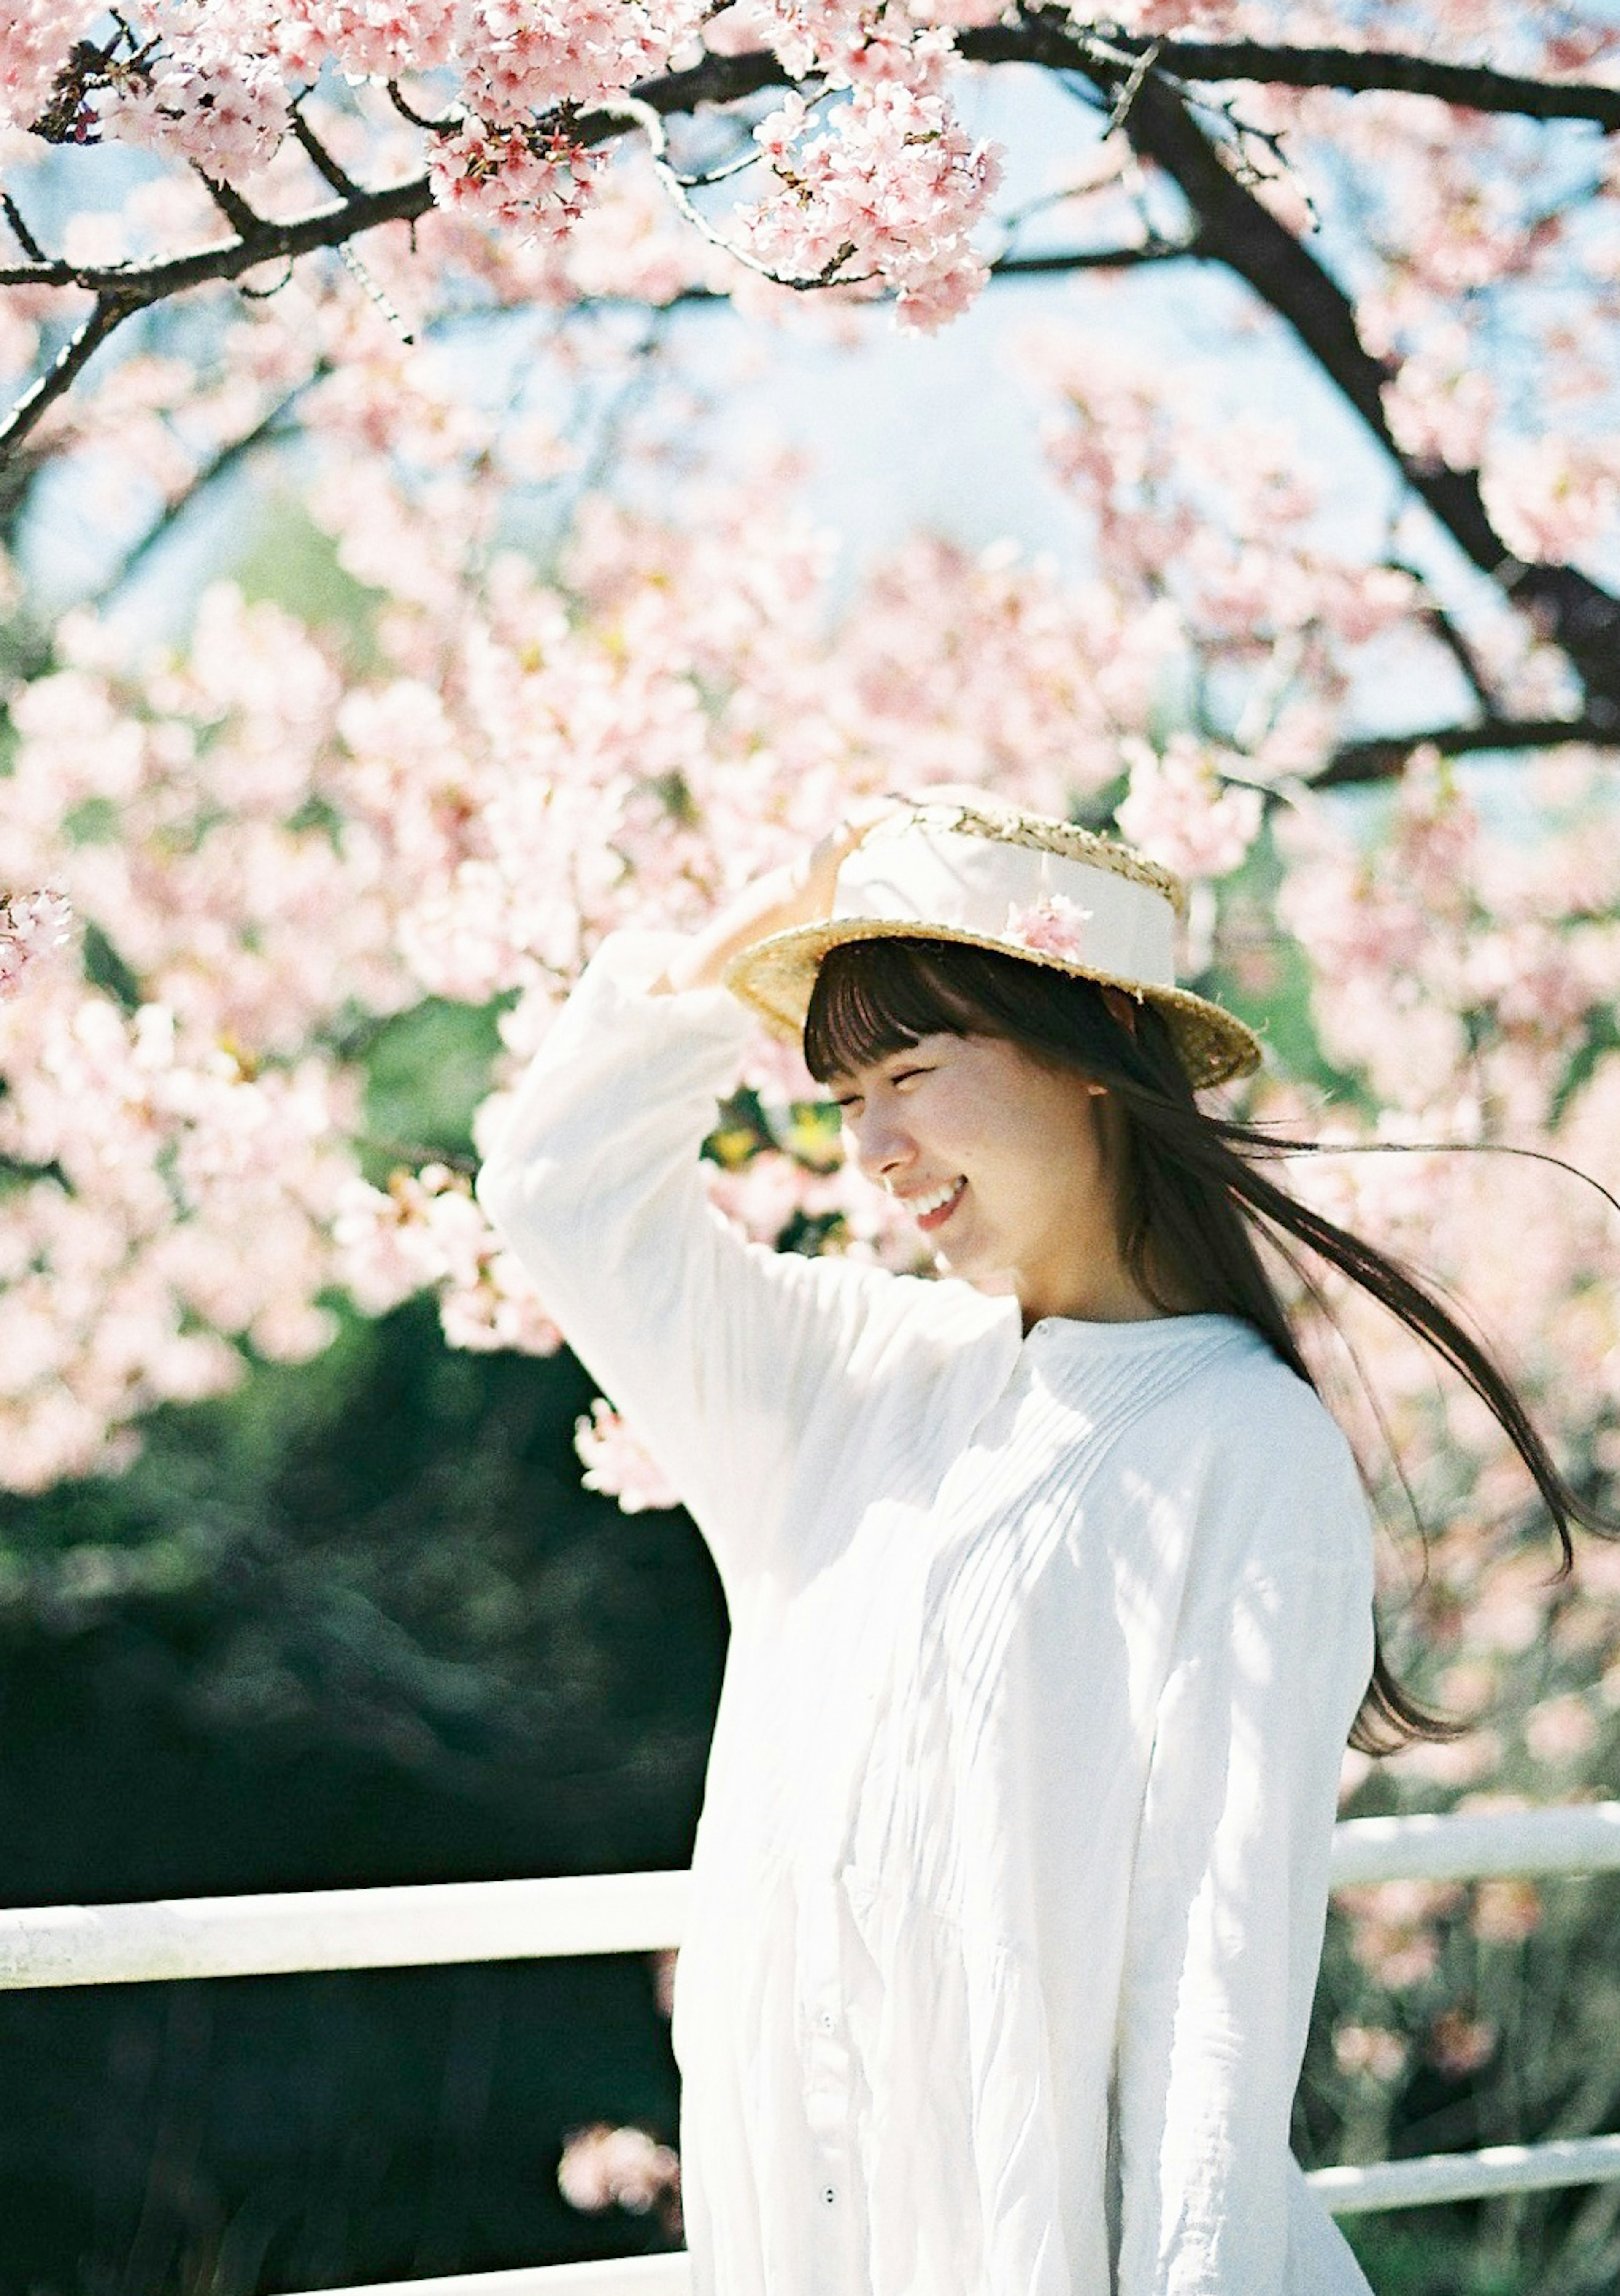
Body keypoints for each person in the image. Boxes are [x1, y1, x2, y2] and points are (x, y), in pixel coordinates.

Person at [476, 794, 1599, 2296]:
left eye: (912, 1072)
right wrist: (770, 906)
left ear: (1085, 1058)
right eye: (844, 1095)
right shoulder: (848, 1374)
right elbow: (556, 1191)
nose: (872, 1145)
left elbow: (1213, 1990)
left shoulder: (1244, 1450)